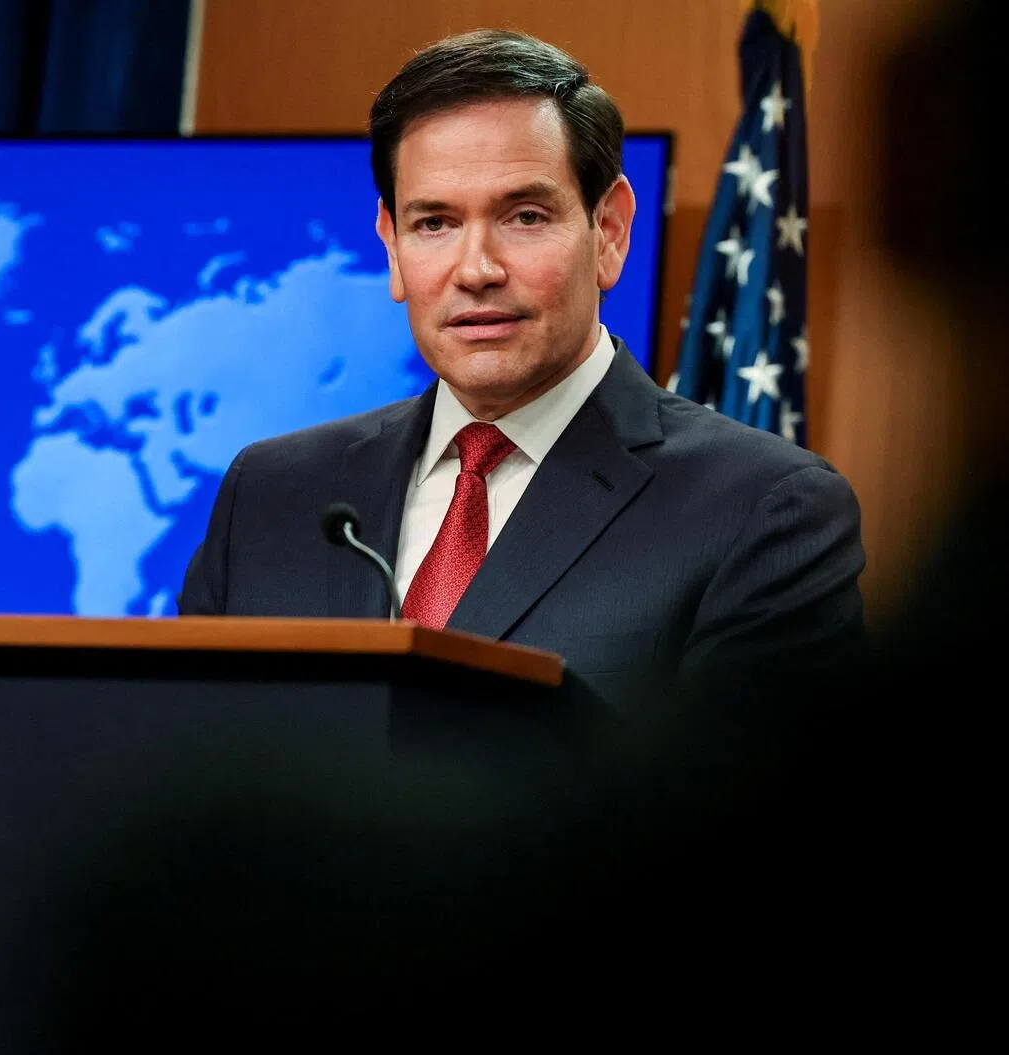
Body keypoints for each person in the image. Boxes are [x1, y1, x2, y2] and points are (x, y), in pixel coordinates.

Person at [178, 29, 866, 703]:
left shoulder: (763, 509)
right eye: (434, 224)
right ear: (391, 244)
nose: (475, 270)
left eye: (526, 216)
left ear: (610, 231)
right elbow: (180, 767)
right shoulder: (271, 494)